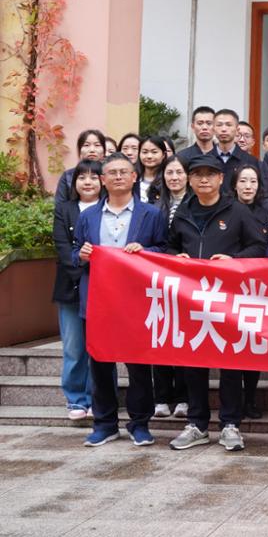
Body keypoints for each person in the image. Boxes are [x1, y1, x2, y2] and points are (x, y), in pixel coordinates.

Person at [166, 153, 267, 452]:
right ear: (189, 179)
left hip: (228, 299)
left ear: (222, 178)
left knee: (230, 363)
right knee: (193, 364)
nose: (204, 179)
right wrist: (175, 257)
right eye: (197, 174)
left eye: (210, 174)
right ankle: (196, 424)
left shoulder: (237, 211)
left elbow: (258, 246)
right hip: (191, 299)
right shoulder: (182, 213)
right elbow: (169, 247)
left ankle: (230, 424)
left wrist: (234, 260)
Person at [74, 152, 168, 447]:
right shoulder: (88, 216)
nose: (117, 177)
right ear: (102, 180)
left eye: (123, 172)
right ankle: (105, 424)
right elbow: (74, 251)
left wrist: (146, 251)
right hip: (98, 300)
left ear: (134, 177)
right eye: (111, 172)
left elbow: (165, 250)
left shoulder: (151, 214)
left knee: (138, 365)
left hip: (136, 300)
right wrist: (81, 255)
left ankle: (140, 423)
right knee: (100, 364)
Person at [52, 158, 102, 421]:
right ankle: (75, 400)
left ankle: (99, 398)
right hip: (71, 287)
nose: (88, 182)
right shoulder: (65, 209)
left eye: (93, 177)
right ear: (74, 182)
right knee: (73, 347)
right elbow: (62, 247)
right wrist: (81, 271)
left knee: (100, 347)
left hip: (103, 289)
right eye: (82, 177)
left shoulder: (108, 208)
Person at [231, 162, 268, 421]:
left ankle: (250, 398)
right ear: (234, 184)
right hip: (228, 285)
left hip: (257, 285)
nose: (248, 186)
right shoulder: (226, 208)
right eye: (243, 181)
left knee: (252, 343)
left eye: (253, 181)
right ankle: (235, 402)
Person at [152, 155, 192, 419]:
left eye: (179, 172)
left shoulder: (196, 203)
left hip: (189, 280)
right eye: (170, 173)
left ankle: (183, 398)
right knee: (162, 335)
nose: (174, 177)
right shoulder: (155, 206)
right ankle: (161, 397)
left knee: (185, 338)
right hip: (160, 278)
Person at [213, 108, 260, 195]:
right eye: (219, 125)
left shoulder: (251, 161)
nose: (224, 129)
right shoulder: (206, 159)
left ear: (237, 130)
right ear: (213, 128)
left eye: (228, 125)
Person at [56, 129, 109, 206]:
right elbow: (60, 205)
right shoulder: (68, 176)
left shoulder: (111, 174)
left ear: (104, 151)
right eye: (86, 145)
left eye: (97, 145)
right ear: (80, 150)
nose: (92, 150)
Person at [137, 136, 168, 203]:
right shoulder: (133, 178)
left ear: (163, 155)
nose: (149, 156)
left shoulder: (167, 180)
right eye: (145, 152)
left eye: (154, 152)